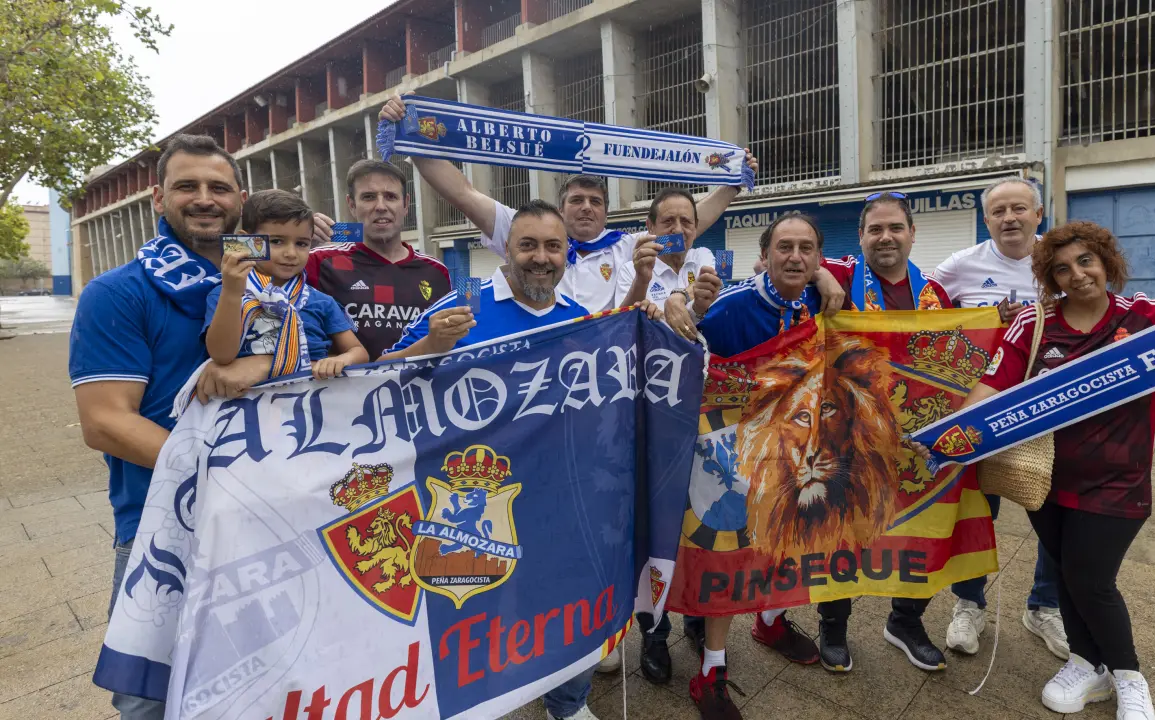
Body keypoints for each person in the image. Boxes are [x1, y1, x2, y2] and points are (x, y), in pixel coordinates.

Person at [379, 200, 659, 720]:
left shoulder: (577, 318)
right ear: (505, 249)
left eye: (553, 246)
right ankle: (481, 698)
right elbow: (378, 381)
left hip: (561, 499)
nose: (541, 258)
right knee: (481, 612)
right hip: (480, 505)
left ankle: (567, 704)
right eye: (527, 245)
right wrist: (430, 346)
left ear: (566, 254)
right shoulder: (461, 308)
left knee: (570, 603)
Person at [929, 220, 1155, 719]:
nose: (1078, 275)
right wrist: (949, 438)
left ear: (1106, 262)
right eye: (1063, 269)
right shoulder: (1035, 323)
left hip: (1120, 481)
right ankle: (1086, 664)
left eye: (1086, 261)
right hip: (1046, 479)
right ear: (1051, 278)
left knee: (1092, 580)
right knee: (1069, 575)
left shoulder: (1146, 315)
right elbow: (992, 385)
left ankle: (1129, 677)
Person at [69, 134, 290, 720]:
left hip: (268, 520)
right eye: (187, 186)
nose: (205, 199)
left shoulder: (270, 290)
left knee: (267, 682)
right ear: (158, 199)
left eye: (219, 187)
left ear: (240, 199)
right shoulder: (117, 293)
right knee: (150, 698)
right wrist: (227, 475)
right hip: (162, 528)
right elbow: (106, 421)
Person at [673, 212, 838, 720]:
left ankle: (770, 620)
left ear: (818, 258)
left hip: (798, 450)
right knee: (726, 559)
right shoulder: (731, 308)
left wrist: (826, 278)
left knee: (792, 540)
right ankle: (711, 669)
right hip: (732, 459)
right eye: (784, 247)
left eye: (806, 249)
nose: (795, 256)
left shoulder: (821, 298)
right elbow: (681, 356)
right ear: (763, 256)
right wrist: (680, 301)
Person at [377, 96, 755, 315]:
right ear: (560, 210)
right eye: (577, 200)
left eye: (595, 202)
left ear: (606, 212)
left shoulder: (626, 247)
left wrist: (732, 185)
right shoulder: (525, 232)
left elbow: (687, 226)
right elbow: (463, 193)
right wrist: (413, 141)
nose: (586, 207)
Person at [813, 192, 954, 674]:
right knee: (842, 532)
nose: (886, 237)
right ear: (860, 237)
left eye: (895, 228)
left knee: (921, 528)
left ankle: (906, 622)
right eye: (875, 229)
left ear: (913, 234)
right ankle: (833, 626)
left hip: (914, 435)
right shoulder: (843, 275)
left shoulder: (935, 294)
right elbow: (780, 264)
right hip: (846, 434)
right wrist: (820, 274)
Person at [929, 177, 1067, 661]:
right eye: (999, 211)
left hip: (1051, 408)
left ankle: (1045, 606)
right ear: (986, 219)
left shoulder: (1063, 260)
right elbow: (926, 317)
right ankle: (969, 604)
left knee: (1054, 514)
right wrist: (990, 318)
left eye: (1019, 209)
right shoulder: (961, 265)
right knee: (976, 512)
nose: (1009, 218)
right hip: (982, 411)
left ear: (1038, 214)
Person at [205, 190, 368, 379]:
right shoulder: (224, 294)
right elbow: (221, 356)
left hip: (312, 395)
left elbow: (359, 352)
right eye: (277, 241)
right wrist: (232, 293)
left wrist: (342, 360)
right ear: (246, 241)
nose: (291, 253)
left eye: (301, 244)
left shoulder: (322, 302)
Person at [305, 159, 452, 357]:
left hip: (418, 378)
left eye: (390, 197)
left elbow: (456, 333)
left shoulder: (437, 271)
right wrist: (297, 238)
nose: (381, 206)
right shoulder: (319, 261)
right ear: (351, 205)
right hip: (342, 378)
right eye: (368, 197)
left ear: (406, 204)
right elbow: (265, 292)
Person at [613, 187, 715, 308]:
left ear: (695, 227)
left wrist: (680, 298)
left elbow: (711, 295)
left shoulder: (702, 256)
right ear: (650, 226)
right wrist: (641, 280)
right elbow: (625, 319)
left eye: (685, 221)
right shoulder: (630, 271)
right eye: (668, 221)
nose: (678, 230)